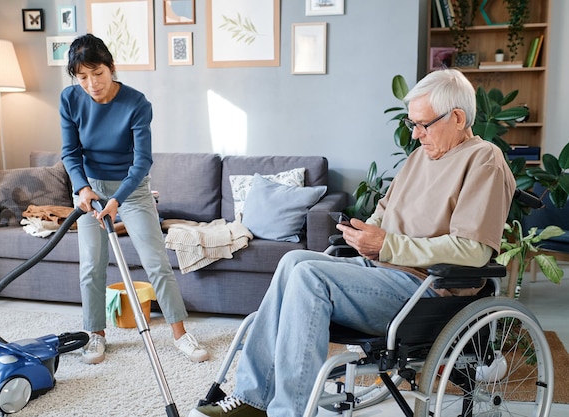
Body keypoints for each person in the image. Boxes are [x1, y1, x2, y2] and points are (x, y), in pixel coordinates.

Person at [189, 68, 516, 417]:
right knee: (293, 261)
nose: (416, 134)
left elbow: (474, 251)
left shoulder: (484, 159)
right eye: (412, 125)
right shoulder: (421, 156)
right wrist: (364, 233)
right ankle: (253, 399)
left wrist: (388, 245)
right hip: (381, 272)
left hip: (425, 290)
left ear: (457, 117)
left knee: (309, 277)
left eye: (424, 124)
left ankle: (289, 412)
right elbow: (385, 210)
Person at [60, 34, 209, 365]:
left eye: (97, 73)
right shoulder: (70, 99)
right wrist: (83, 188)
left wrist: (119, 200)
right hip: (90, 190)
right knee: (91, 265)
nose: (91, 84)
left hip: (133, 187)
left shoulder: (136, 103)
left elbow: (142, 161)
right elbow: (70, 152)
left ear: (111, 67)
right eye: (82, 77)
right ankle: (94, 335)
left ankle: (180, 334)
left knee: (156, 261)